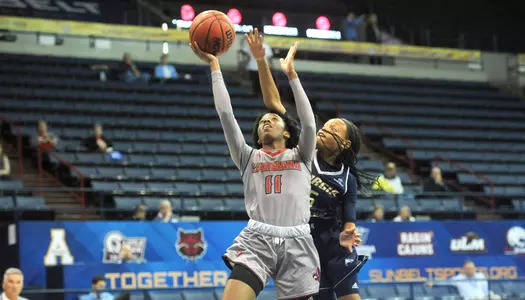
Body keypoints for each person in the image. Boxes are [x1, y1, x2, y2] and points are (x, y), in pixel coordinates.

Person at [190, 31, 320, 300]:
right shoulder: (248, 157)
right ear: (258, 136)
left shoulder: (301, 155)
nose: (266, 121)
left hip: (298, 241)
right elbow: (226, 114)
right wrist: (215, 66)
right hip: (257, 239)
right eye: (262, 122)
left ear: (286, 133)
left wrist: (292, 75)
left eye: (273, 119)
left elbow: (308, 124)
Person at [246, 28, 368, 300]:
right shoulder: (302, 150)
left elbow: (349, 221)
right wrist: (261, 61)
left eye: (333, 130)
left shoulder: (346, 178)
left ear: (345, 144)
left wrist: (348, 234)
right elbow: (274, 104)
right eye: (324, 125)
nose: (324, 129)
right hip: (304, 247)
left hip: (334, 247)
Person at [426, 260, 501, 300]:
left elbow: (485, 290)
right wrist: (433, 283)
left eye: (472, 268)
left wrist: (491, 295)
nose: (470, 270)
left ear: (475, 268)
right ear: (464, 270)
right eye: (468, 269)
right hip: (471, 299)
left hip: (483, 298)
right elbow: (445, 282)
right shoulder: (459, 279)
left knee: (497, 298)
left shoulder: (480, 276)